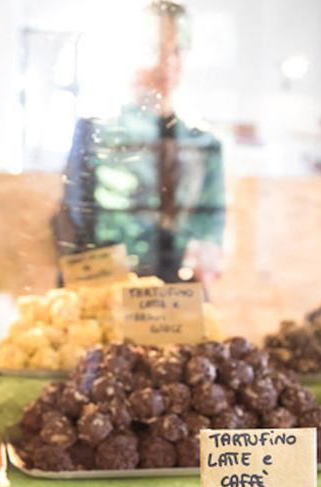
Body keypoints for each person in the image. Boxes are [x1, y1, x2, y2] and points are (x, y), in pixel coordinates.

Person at [56, 1, 225, 291]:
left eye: (177, 51)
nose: (167, 62)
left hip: (175, 303)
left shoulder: (204, 144)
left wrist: (207, 257)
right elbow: (75, 222)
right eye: (154, 49)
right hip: (107, 293)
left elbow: (210, 228)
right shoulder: (96, 133)